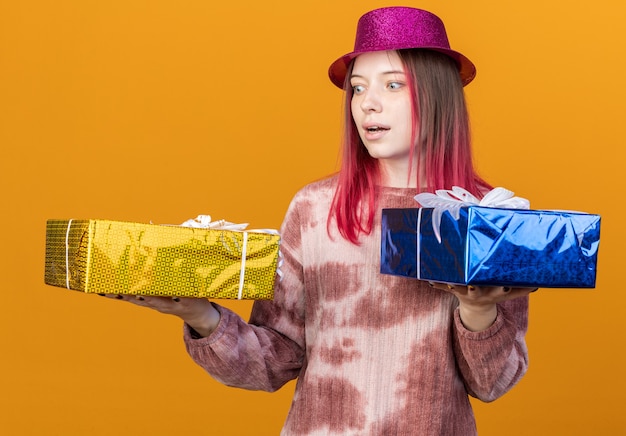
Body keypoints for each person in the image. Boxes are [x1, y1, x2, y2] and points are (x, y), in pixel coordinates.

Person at [110, 6, 535, 435]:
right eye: (357, 88)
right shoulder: (315, 209)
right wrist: (202, 317)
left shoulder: (489, 218)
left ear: (438, 94)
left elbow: (491, 384)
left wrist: (477, 310)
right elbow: (277, 358)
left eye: (392, 85)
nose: (367, 104)